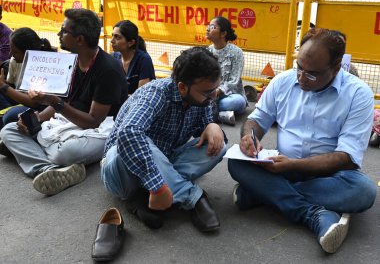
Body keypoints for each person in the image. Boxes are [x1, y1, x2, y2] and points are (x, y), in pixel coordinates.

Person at [228, 28, 377, 253]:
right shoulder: (283, 81)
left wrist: (294, 165)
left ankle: (262, 193)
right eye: (299, 68)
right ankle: (315, 214)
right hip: (282, 166)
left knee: (364, 191)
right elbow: (256, 120)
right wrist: (249, 137)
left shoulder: (359, 94)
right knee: (236, 162)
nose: (301, 77)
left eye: (312, 74)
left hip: (331, 175)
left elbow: (346, 158)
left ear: (336, 67)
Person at [0, 8, 128, 196]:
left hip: (101, 130)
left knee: (65, 153)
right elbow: (63, 101)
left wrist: (54, 101)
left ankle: (34, 155)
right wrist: (39, 117)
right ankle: (47, 170)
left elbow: (93, 121)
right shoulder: (71, 62)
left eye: (64, 31)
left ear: (80, 39)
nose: (59, 34)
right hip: (68, 123)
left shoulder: (108, 69)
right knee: (9, 130)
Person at [101, 47, 227, 232]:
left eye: (215, 90)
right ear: (182, 87)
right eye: (208, 92)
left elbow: (204, 127)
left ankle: (142, 199)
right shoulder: (155, 94)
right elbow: (128, 133)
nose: (213, 96)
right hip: (122, 170)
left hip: (163, 161)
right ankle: (191, 197)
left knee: (218, 145)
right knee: (136, 138)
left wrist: (212, 126)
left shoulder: (202, 98)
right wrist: (157, 186)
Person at [0, 27, 56, 126]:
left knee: (10, 115)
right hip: (21, 101)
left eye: (15, 52)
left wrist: (4, 86)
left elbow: (34, 103)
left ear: (28, 51)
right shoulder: (14, 61)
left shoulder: (44, 66)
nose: (10, 54)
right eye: (10, 50)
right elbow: (13, 90)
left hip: (40, 109)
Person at [206, 16, 247, 126]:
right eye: (208, 26)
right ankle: (220, 115)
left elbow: (234, 80)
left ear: (223, 33)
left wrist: (217, 92)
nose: (207, 29)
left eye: (212, 27)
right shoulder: (207, 51)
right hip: (210, 94)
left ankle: (208, 111)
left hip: (230, 95)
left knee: (234, 102)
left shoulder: (236, 52)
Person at [110, 20, 155, 95]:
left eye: (117, 37)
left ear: (131, 42)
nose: (112, 41)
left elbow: (142, 95)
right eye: (112, 35)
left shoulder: (144, 60)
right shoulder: (113, 57)